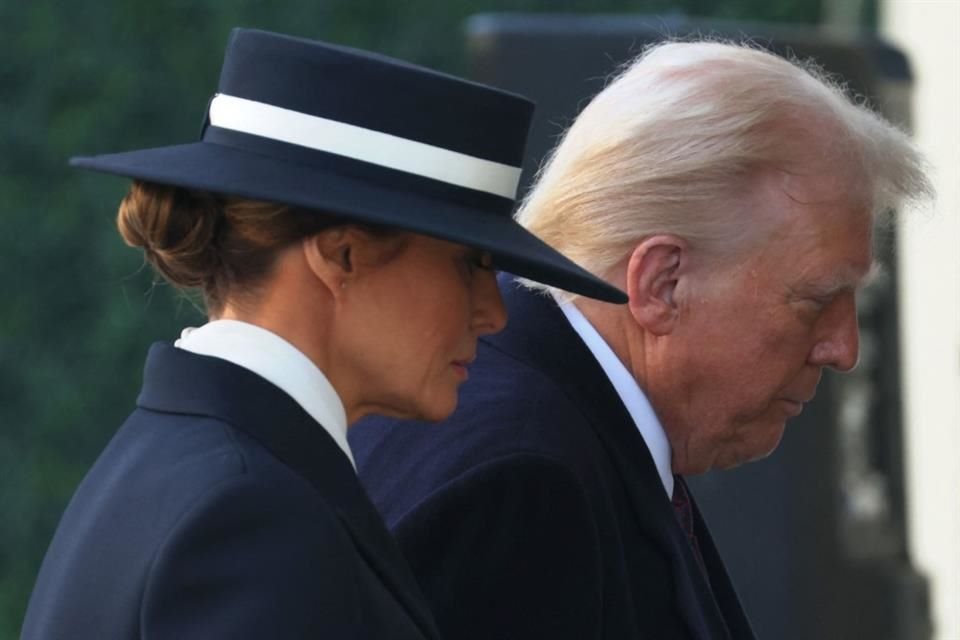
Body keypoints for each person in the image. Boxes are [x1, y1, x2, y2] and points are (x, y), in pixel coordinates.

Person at [20, 28, 626, 640]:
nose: (493, 312)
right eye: (469, 262)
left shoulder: (190, 463)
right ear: (341, 256)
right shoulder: (252, 514)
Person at [349, 40, 932, 640]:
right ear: (662, 284)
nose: (843, 349)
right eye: (815, 299)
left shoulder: (554, 425)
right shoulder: (523, 483)